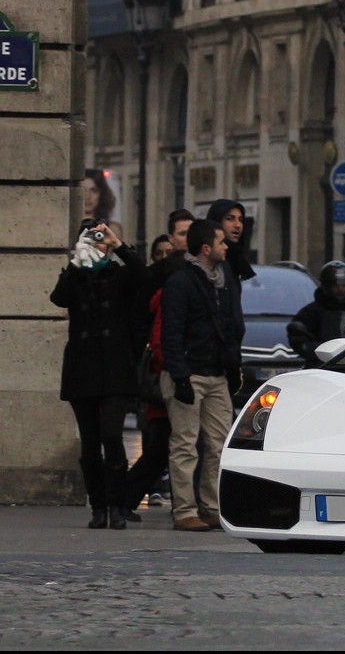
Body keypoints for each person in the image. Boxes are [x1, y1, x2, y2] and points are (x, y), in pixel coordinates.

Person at [49, 218, 146, 530]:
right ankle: (98, 506)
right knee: (90, 442)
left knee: (111, 434)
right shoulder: (74, 275)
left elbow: (144, 277)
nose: (96, 243)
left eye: (101, 238)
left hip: (116, 369)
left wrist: (118, 245)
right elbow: (59, 298)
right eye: (91, 238)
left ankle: (119, 504)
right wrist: (77, 261)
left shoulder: (119, 273)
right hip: (83, 369)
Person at [159, 218, 244, 531]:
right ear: (206, 248)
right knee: (184, 445)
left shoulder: (224, 278)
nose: (227, 246)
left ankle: (211, 506)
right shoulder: (181, 281)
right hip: (189, 373)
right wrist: (180, 377)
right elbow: (172, 333)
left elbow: (234, 324)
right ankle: (184, 510)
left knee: (219, 445)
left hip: (216, 372)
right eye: (221, 242)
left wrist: (233, 366)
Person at [123, 209, 196, 521]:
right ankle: (124, 499)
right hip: (164, 370)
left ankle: (125, 499)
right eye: (181, 234)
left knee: (180, 445)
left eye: (191, 233)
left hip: (186, 367)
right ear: (170, 237)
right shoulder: (165, 275)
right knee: (160, 446)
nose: (186, 240)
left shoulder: (200, 270)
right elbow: (149, 323)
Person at [287, 260, 345, 366]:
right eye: (335, 285)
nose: (340, 289)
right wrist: (315, 350)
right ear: (326, 286)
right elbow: (298, 335)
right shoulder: (311, 311)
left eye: (344, 285)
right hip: (321, 365)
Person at [205, 198, 257, 294]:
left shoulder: (237, 259)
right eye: (230, 219)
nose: (238, 225)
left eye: (240, 220)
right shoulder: (210, 259)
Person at [82, 169, 125, 241]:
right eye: (83, 190)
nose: (87, 196)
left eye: (94, 190)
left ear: (102, 194)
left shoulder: (112, 228)